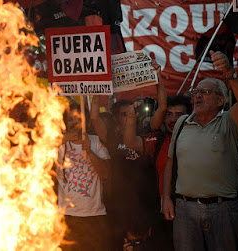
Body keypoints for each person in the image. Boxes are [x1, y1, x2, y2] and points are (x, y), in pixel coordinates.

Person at [162, 50, 238, 251]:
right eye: (196, 92)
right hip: (185, 209)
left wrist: (230, 72)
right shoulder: (182, 124)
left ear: (221, 101)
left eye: (206, 92)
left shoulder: (229, 121)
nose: (198, 96)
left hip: (223, 209)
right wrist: (166, 197)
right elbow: (170, 163)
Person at [91, 60, 167, 250]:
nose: (130, 116)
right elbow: (93, 117)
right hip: (119, 204)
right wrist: (97, 83)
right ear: (115, 118)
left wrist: (158, 78)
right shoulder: (110, 136)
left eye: (131, 112)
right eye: (124, 114)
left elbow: (163, 108)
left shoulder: (144, 133)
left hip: (145, 204)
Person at [123, 95, 192, 251]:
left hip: (193, 211)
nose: (173, 119)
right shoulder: (158, 140)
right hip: (165, 213)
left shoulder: (198, 139)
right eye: (169, 114)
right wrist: (131, 119)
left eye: (179, 115)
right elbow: (130, 143)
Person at [56, 101, 110, 251]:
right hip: (67, 216)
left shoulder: (96, 141)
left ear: (86, 120)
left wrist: (90, 152)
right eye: (70, 119)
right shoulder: (57, 145)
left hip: (94, 215)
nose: (75, 123)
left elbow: (105, 173)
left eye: (79, 118)